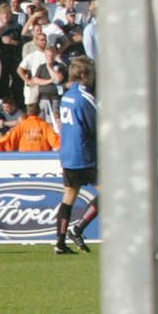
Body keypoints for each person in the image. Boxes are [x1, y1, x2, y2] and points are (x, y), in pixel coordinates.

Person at [55, 58, 98, 255]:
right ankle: (78, 228)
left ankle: (60, 243)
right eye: (91, 72)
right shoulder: (85, 97)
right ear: (84, 74)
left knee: (69, 195)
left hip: (68, 153)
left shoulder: (67, 96)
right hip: (84, 154)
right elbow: (96, 127)